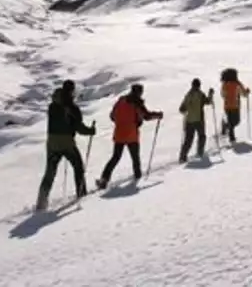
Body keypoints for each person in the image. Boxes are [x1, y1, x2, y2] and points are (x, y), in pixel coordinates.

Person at [35, 79, 96, 211]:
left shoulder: (52, 105)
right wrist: (90, 131)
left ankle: (41, 203)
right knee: (78, 166)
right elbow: (79, 127)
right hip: (66, 142)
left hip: (51, 142)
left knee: (50, 172)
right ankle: (81, 194)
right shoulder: (72, 107)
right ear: (72, 91)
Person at [95, 83, 163, 189]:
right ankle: (137, 177)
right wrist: (158, 115)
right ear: (139, 92)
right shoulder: (137, 103)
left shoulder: (121, 101)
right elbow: (147, 116)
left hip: (119, 133)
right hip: (132, 134)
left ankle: (104, 179)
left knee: (115, 157)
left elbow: (112, 116)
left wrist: (121, 122)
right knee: (135, 158)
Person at [178, 78, 213, 163]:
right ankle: (200, 152)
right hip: (199, 120)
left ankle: (182, 157)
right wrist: (210, 94)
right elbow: (208, 102)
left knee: (188, 140)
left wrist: (186, 110)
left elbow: (181, 109)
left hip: (189, 121)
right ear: (199, 85)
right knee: (202, 136)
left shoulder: (188, 95)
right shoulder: (200, 94)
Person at [220, 68, 250, 143]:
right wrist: (246, 92)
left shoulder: (226, 84)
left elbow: (222, 94)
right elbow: (244, 94)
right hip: (234, 105)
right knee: (234, 122)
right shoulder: (236, 83)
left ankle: (225, 125)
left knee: (235, 122)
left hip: (229, 105)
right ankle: (232, 138)